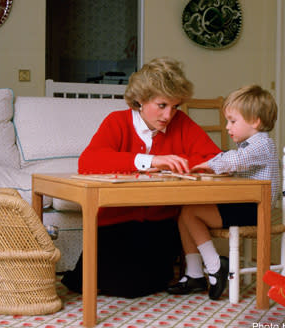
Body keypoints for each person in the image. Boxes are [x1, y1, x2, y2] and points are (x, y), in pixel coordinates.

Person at [61, 57, 221, 298]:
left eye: (175, 106)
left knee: (139, 287)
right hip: (115, 221)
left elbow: (215, 158)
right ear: (141, 99)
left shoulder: (182, 124)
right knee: (99, 283)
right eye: (162, 105)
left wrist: (184, 162)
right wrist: (149, 161)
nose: (169, 115)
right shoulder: (117, 121)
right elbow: (88, 162)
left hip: (160, 225)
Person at [167, 84, 280, 300]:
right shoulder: (249, 145)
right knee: (184, 214)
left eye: (233, 121)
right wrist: (208, 164)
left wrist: (208, 165)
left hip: (254, 209)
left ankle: (215, 265)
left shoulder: (262, 144)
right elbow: (230, 159)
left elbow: (233, 160)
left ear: (255, 121)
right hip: (245, 205)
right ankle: (194, 274)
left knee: (191, 213)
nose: (228, 127)